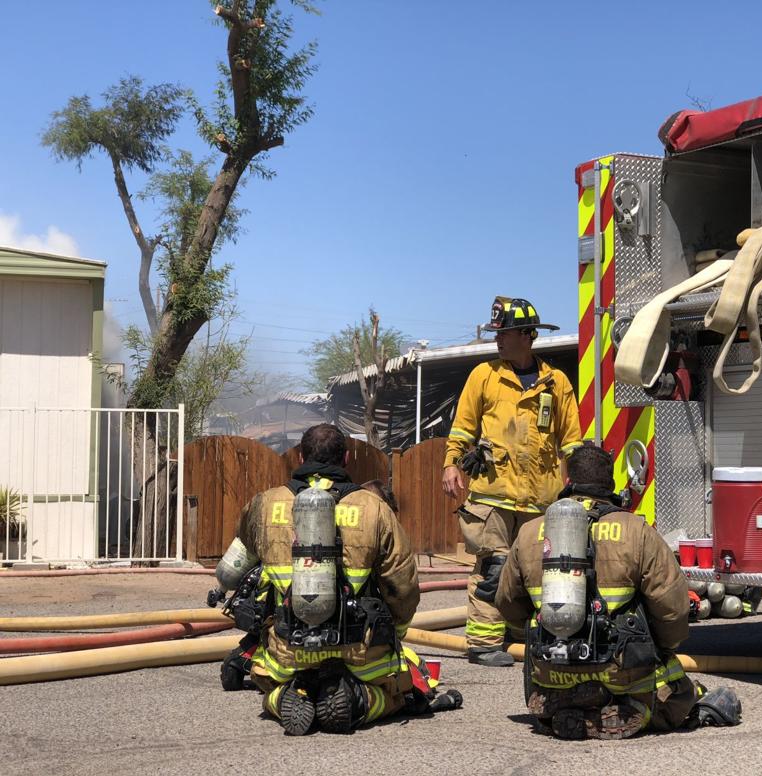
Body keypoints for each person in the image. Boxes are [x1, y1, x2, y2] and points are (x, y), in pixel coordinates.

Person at [232, 423, 454, 735]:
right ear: (347, 458)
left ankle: (283, 697)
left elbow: (240, 561)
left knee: (267, 684)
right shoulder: (373, 506)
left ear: (299, 456)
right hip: (359, 652)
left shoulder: (263, 503)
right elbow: (402, 582)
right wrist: (397, 630)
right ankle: (356, 699)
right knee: (398, 694)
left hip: (288, 648)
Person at [495, 444, 700, 740]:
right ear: (610, 485)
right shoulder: (636, 530)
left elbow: (507, 602)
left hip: (551, 668)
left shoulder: (530, 533)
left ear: (568, 482)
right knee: (681, 693)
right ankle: (631, 708)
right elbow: (672, 607)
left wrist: (534, 634)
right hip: (621, 671)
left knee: (546, 660)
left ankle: (561, 702)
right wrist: (663, 648)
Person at [442, 296, 583, 667]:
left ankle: (524, 636)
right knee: (493, 568)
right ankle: (484, 643)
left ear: (527, 335)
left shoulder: (557, 382)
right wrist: (451, 465)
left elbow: (571, 441)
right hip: (492, 495)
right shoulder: (484, 376)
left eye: (504, 333)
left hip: (541, 498)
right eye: (496, 333)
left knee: (536, 570)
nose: (498, 340)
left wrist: (580, 488)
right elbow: (462, 430)